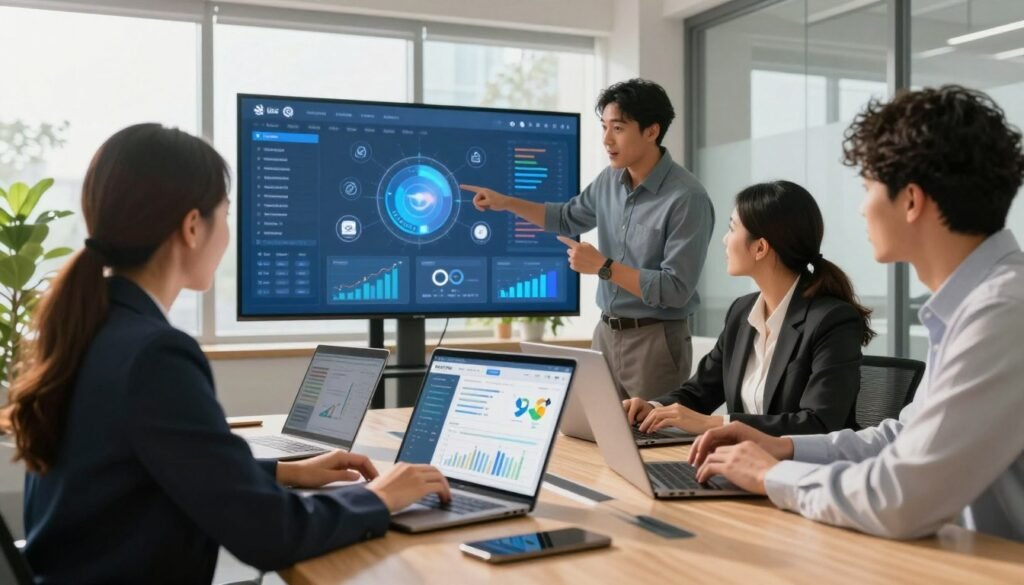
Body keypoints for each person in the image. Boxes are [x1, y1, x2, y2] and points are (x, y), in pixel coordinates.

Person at [6, 124, 452, 584]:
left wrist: (285, 472)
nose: (228, 232)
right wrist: (379, 497)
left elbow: (147, 469)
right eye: (227, 213)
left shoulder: (92, 328)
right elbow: (271, 535)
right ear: (193, 226)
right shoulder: (155, 355)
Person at [690, 85, 1024, 542]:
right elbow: (902, 440)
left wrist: (771, 477)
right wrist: (783, 447)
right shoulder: (973, 305)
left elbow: (902, 496)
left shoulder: (1003, 312)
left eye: (867, 188)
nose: (861, 208)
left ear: (910, 200)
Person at [465, 78, 715, 401]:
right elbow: (566, 218)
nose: (607, 140)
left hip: (655, 342)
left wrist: (604, 267)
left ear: (652, 131)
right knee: (594, 435)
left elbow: (676, 289)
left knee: (651, 444)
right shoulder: (609, 180)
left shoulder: (687, 197)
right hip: (606, 335)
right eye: (604, 127)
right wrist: (505, 202)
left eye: (618, 128)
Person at [623, 180, 873, 436]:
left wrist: (716, 424)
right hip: (743, 464)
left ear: (760, 248)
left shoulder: (832, 321)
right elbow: (700, 391)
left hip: (808, 471)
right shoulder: (742, 312)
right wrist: (652, 407)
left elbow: (819, 423)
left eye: (732, 229)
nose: (724, 240)